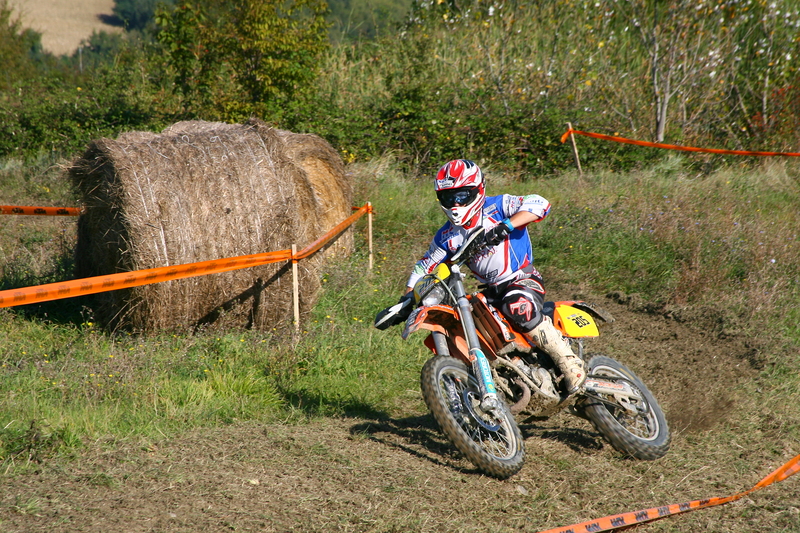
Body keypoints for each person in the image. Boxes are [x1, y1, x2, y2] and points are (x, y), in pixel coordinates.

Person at [374, 159, 586, 396]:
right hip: (490, 290)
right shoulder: (446, 235)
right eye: (448, 197)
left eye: (462, 195)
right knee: (472, 324)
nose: (455, 203)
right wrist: (405, 301)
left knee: (518, 307)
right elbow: (424, 266)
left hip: (521, 279)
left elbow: (540, 203)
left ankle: (570, 363)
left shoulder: (499, 206)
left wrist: (506, 225)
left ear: (478, 189)